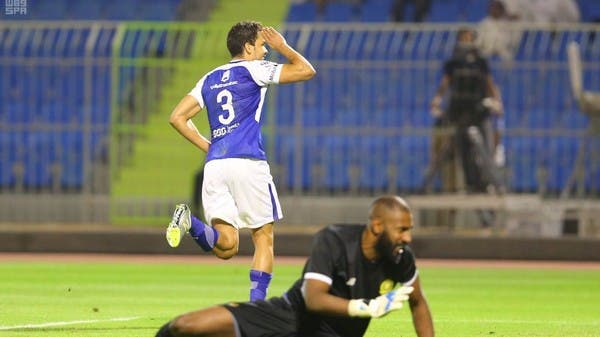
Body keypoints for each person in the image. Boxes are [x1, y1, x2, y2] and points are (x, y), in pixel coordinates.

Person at [165, 21, 316, 301]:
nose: (266, 52)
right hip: (248, 163)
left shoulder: (209, 78)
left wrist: (209, 147)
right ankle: (256, 308)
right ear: (248, 47)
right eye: (262, 46)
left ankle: (189, 221)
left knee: (227, 247)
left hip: (216, 167)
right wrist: (283, 46)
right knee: (263, 238)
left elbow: (177, 117)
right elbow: (306, 70)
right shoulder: (255, 69)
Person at [155, 195, 435, 337]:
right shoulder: (334, 240)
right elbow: (313, 299)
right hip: (288, 316)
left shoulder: (401, 257)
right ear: (376, 226)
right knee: (185, 326)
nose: (408, 237)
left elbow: (418, 303)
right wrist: (365, 307)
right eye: (401, 229)